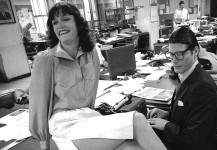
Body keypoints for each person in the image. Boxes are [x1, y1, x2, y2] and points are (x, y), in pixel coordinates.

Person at [29, 2, 166, 150]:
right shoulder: (46, 59)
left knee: (132, 147)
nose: (59, 25)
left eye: (65, 19)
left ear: (77, 22)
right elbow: (39, 106)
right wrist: (45, 146)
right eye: (55, 22)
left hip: (88, 118)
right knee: (137, 120)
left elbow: (91, 97)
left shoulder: (91, 53)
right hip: (64, 125)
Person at [147, 27, 217, 150]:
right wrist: (167, 115)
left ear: (195, 51)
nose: (174, 60)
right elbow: (189, 114)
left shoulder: (203, 88)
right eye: (171, 54)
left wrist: (166, 125)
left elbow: (194, 140)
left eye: (179, 54)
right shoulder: (187, 76)